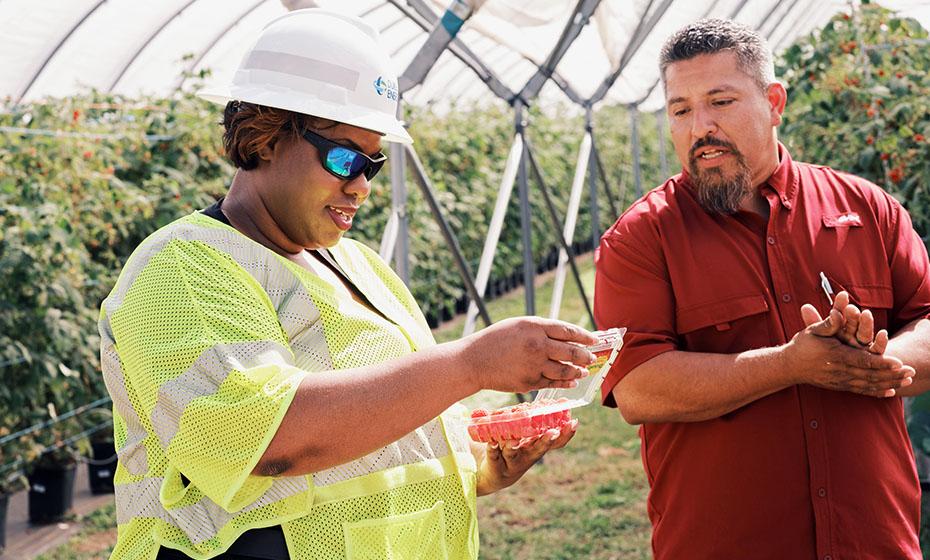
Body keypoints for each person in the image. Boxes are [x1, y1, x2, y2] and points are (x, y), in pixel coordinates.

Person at [98, 9, 598, 560]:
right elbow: (259, 438)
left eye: (373, 163)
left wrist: (478, 461)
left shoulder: (359, 265)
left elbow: (384, 419)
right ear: (265, 135)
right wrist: (471, 364)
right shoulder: (181, 269)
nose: (360, 186)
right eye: (343, 157)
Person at [593, 18, 930, 560]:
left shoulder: (868, 209)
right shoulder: (642, 238)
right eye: (680, 110)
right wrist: (790, 365)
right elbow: (637, 387)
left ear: (774, 101)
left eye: (720, 102)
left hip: (875, 541)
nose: (700, 126)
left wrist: (874, 359)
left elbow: (927, 320)